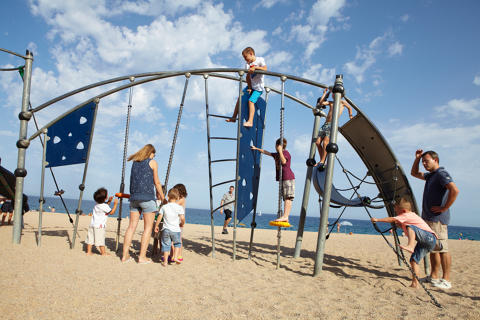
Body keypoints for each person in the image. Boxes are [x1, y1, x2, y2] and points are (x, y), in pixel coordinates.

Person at [411, 150, 459, 289]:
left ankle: (446, 280)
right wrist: (417, 158)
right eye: (423, 162)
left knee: (443, 249)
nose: (424, 164)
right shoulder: (431, 175)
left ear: (435, 160)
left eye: (426, 161)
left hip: (437, 219)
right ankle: (434, 277)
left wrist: (444, 208)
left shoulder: (441, 174)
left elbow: (454, 190)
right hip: (428, 218)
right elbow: (414, 173)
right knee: (433, 248)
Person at [371, 198, 438, 289]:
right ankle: (415, 284)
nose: (397, 215)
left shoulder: (407, 215)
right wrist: (398, 223)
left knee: (411, 227)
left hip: (429, 237)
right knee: (413, 260)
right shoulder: (409, 217)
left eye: (398, 213)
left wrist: (377, 220)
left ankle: (411, 245)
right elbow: (402, 225)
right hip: (426, 242)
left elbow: (392, 219)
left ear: (403, 211)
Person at [121, 144, 166, 264]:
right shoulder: (153, 163)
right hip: (147, 198)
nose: (153, 157)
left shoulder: (134, 163)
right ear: (150, 153)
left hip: (134, 198)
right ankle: (142, 257)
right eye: (153, 154)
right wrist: (163, 197)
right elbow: (156, 182)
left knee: (131, 227)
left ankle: (125, 255)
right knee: (147, 228)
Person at [251, 138, 295, 222]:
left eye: (276, 146)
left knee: (288, 197)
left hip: (288, 177)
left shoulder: (285, 153)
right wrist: (256, 148)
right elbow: (266, 152)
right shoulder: (277, 154)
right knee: (287, 197)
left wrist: (280, 151)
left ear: (278, 146)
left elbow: (284, 162)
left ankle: (285, 215)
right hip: (284, 178)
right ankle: (286, 217)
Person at [226, 47, 267, 127]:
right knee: (240, 98)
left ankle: (250, 122)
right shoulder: (247, 65)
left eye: (245, 57)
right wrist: (249, 87)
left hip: (258, 88)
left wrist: (255, 68)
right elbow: (248, 77)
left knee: (251, 101)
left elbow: (265, 69)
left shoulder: (260, 60)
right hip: (251, 86)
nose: (245, 59)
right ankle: (234, 117)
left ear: (251, 54)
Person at [315, 88, 354, 166]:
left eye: (334, 93)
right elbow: (321, 102)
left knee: (325, 143)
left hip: (332, 124)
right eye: (332, 93)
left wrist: (350, 115)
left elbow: (349, 107)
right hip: (325, 124)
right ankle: (322, 160)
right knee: (318, 142)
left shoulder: (343, 102)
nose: (333, 94)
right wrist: (325, 93)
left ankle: (322, 161)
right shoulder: (331, 103)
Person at [154, 188, 185, 267]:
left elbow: (160, 217)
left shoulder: (164, 207)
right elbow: (182, 217)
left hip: (166, 229)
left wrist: (156, 226)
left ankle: (165, 262)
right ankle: (175, 257)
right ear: (178, 198)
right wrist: (182, 223)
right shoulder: (179, 207)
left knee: (166, 244)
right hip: (175, 230)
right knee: (177, 243)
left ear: (168, 197)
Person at [86, 187, 119, 256]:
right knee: (100, 239)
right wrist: (115, 204)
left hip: (92, 224)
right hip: (100, 226)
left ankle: (88, 252)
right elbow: (112, 212)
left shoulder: (97, 203)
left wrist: (109, 201)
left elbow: (104, 206)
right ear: (105, 198)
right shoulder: (104, 206)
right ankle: (103, 253)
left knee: (90, 238)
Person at [173, 183, 187, 261]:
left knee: (178, 239)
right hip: (179, 221)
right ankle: (179, 255)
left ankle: (178, 254)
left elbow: (173, 205)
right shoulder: (182, 200)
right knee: (179, 239)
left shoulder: (181, 200)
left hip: (178, 221)